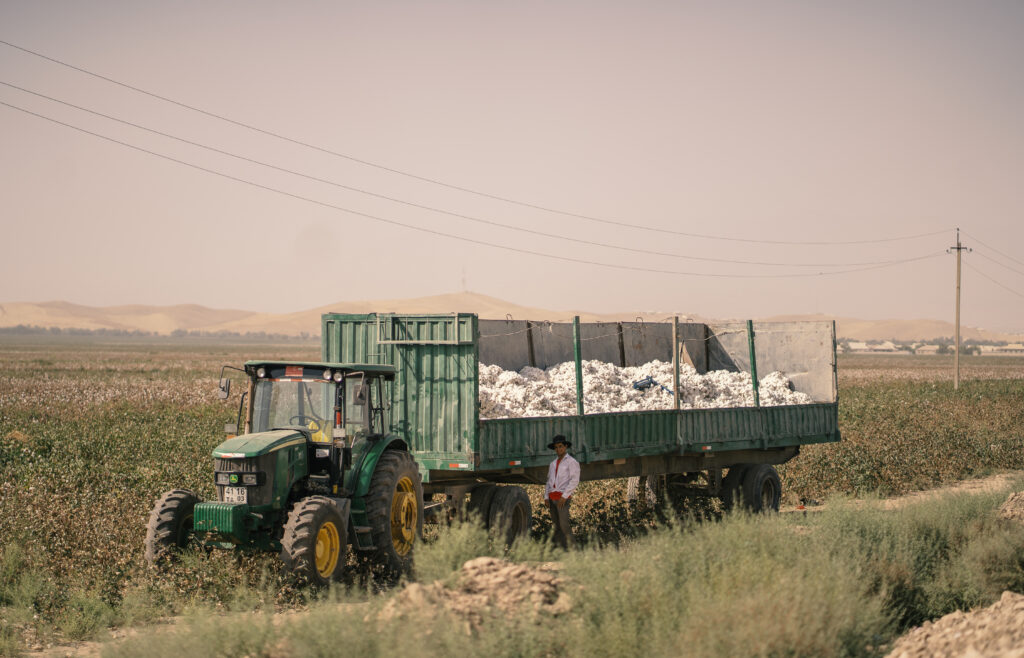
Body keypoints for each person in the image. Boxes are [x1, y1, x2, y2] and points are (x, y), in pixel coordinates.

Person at [545, 434, 580, 549]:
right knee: (556, 526)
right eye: (556, 447)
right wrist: (546, 497)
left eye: (560, 446)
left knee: (564, 525)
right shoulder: (553, 464)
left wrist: (565, 496)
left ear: (565, 446)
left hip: (562, 498)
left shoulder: (571, 462)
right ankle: (561, 550)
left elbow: (574, 480)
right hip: (552, 498)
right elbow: (549, 481)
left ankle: (574, 549)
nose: (558, 449)